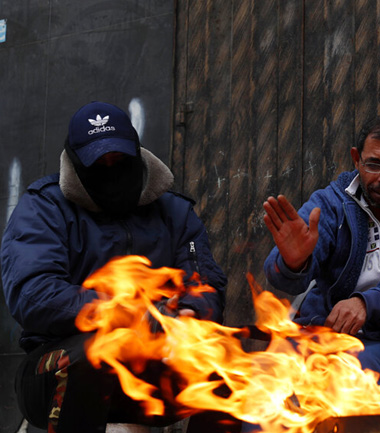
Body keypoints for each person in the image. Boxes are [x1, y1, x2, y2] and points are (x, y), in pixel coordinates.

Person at [1, 101, 235, 433]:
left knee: (229, 363)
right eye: (100, 163)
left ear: (137, 156)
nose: (112, 169)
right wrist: (121, 313)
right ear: (76, 164)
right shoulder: (44, 207)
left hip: (152, 368)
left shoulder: (175, 213)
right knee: (96, 352)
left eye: (121, 161)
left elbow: (205, 283)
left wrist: (190, 315)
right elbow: (33, 294)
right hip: (54, 370)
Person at [262, 114, 380, 386]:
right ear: (356, 159)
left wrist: (370, 303)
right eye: (373, 165)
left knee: (339, 379)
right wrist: (295, 262)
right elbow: (279, 275)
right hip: (317, 333)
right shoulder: (331, 202)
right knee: (261, 387)